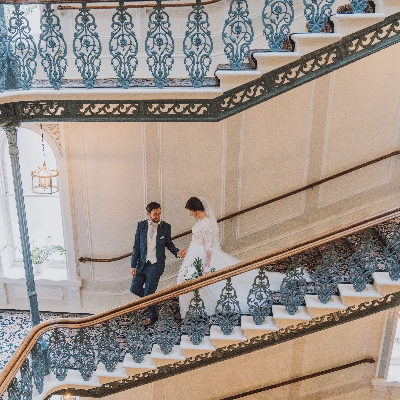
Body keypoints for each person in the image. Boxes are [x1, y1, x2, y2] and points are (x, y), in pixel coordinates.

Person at [177, 197, 289, 318]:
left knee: (193, 281)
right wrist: (187, 251)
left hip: (203, 256)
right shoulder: (199, 221)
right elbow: (198, 241)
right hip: (195, 253)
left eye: (190, 211)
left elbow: (208, 246)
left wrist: (207, 265)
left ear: (195, 210)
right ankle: (197, 307)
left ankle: (203, 307)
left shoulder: (206, 223)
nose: (189, 214)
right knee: (186, 280)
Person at [130, 202, 185, 326]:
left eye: (159, 213)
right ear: (148, 213)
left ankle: (152, 315)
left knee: (149, 293)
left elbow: (169, 244)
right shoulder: (141, 226)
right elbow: (136, 247)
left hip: (155, 265)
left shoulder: (166, 227)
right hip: (142, 264)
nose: (158, 216)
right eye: (155, 214)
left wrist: (177, 253)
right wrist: (133, 265)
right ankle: (151, 301)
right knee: (134, 288)